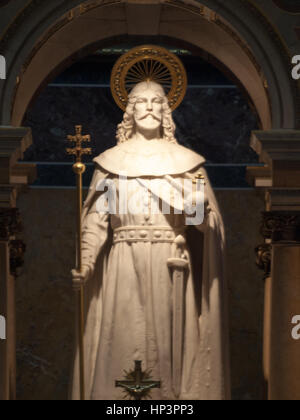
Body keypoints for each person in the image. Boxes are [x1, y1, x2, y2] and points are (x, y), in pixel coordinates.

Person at [71, 81, 230, 400]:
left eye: (156, 102)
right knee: (123, 336)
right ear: (129, 111)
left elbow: (206, 224)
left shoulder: (187, 164)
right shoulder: (113, 163)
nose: (148, 107)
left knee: (167, 347)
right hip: (123, 264)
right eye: (140, 101)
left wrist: (193, 206)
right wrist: (86, 264)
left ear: (165, 111)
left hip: (168, 263)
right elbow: (96, 223)